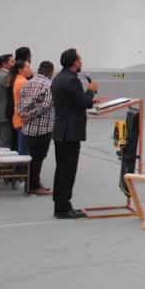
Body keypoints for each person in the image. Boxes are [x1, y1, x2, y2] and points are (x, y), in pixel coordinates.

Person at [50, 48, 102, 219]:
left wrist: (88, 98)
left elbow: (71, 101)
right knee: (68, 170)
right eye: (80, 59)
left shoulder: (59, 78)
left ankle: (62, 204)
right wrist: (91, 90)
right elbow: (82, 103)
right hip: (69, 131)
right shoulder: (72, 81)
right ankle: (63, 208)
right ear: (75, 62)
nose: (81, 62)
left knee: (62, 169)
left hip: (61, 130)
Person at [17, 60, 55, 196]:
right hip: (42, 128)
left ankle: (35, 183)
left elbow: (19, 101)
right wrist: (30, 115)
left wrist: (23, 114)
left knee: (32, 156)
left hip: (28, 128)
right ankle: (33, 186)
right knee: (38, 157)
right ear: (51, 72)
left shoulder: (28, 83)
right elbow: (45, 105)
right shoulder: (48, 85)